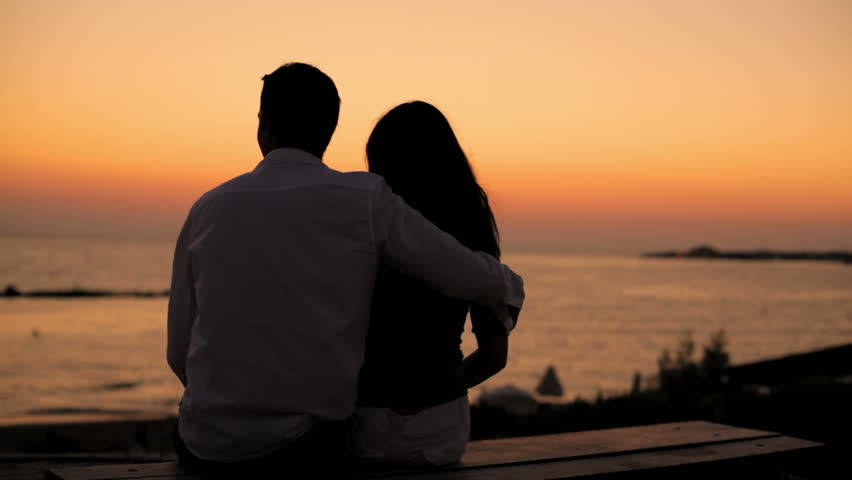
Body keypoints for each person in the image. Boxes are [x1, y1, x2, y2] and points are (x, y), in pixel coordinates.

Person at [166, 63, 524, 471]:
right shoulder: (364, 201)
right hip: (307, 448)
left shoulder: (207, 208)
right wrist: (510, 286)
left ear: (262, 123)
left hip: (205, 445)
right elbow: (466, 274)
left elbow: (179, 352)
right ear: (330, 128)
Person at [349, 101, 509, 467]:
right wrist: (437, 387)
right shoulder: (470, 221)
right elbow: (495, 357)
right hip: (443, 428)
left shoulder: (368, 226)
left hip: (365, 422)